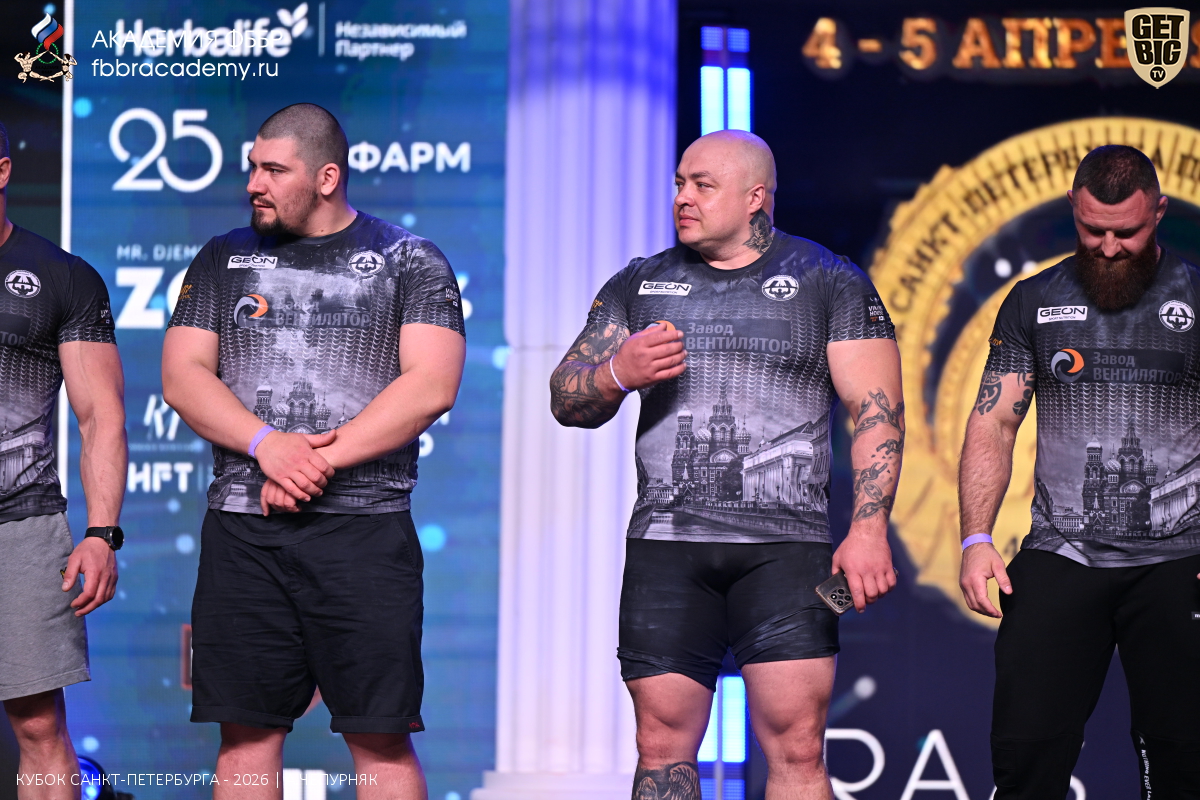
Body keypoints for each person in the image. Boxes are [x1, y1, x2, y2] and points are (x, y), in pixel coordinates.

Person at [550, 130, 903, 798]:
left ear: (755, 197)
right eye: (679, 183)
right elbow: (565, 398)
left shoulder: (829, 280)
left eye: (702, 185)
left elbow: (878, 413)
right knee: (659, 746)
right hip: (666, 552)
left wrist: (867, 530)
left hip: (788, 555)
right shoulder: (639, 283)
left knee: (798, 747)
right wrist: (617, 372)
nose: (683, 198)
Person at [162, 104, 465, 800]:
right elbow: (181, 376)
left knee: (380, 738)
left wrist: (314, 462)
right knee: (244, 738)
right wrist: (267, 444)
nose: (254, 184)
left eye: (274, 170)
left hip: (365, 533)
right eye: (252, 168)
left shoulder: (409, 260)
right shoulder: (222, 258)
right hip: (244, 531)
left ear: (327, 177)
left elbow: (432, 384)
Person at [959, 144, 1200, 799]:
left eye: (1128, 232)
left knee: (1184, 762)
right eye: (1093, 230)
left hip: (1180, 559)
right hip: (1061, 553)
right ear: (1073, 207)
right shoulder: (1034, 300)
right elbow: (994, 422)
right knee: (1025, 756)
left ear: (1159, 212)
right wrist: (976, 538)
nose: (1110, 248)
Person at [0, 120, 127, 799]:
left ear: (2, 172)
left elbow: (100, 415)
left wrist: (102, 532)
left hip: (20, 526)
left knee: (38, 729)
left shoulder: (62, 277)